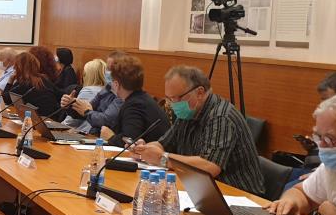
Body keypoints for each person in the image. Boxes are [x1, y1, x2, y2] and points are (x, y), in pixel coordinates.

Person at [133, 65, 264, 195]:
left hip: (240, 196)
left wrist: (163, 158)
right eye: (170, 98)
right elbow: (163, 144)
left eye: (178, 98)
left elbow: (209, 166)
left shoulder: (221, 117)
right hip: (203, 189)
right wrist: (144, 150)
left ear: (200, 92)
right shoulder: (188, 112)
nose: (174, 104)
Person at [99, 55, 169, 146]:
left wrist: (111, 137)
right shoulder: (142, 98)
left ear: (116, 84)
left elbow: (130, 141)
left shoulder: (134, 105)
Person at [62, 56, 120, 133]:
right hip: (92, 134)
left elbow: (106, 120)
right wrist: (71, 105)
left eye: (109, 69)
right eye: (106, 69)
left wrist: (86, 111)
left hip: (94, 135)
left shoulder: (89, 90)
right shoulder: (106, 89)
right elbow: (87, 108)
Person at [6, 52, 59, 116]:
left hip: (38, 118)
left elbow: (6, 100)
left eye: (15, 66)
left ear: (19, 67)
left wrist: (10, 81)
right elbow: (58, 93)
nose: (14, 68)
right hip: (51, 116)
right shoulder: (43, 79)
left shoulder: (23, 83)